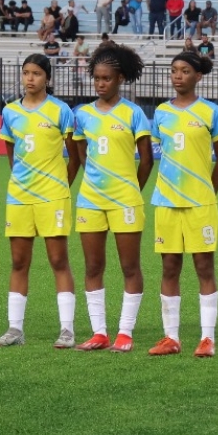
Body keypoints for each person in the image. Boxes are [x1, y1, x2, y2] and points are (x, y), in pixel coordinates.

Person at [0, 54, 80, 349]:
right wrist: (22, 182)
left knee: (58, 260)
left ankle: (67, 330)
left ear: (47, 78)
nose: (30, 78)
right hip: (19, 197)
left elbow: (75, 157)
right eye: (26, 73)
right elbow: (11, 154)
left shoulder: (60, 110)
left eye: (37, 73)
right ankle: (15, 330)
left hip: (52, 196)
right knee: (18, 261)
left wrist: (59, 185)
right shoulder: (10, 112)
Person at [145, 52, 218, 358]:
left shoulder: (210, 112)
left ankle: (207, 339)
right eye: (174, 71)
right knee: (169, 267)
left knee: (204, 267)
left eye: (184, 71)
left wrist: (209, 190)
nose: (178, 75)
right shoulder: (162, 113)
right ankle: (171, 337)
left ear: (198, 76)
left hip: (200, 203)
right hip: (166, 201)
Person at [71, 43, 153, 352]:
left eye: (107, 78)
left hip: (125, 201)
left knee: (129, 267)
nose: (101, 83)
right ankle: (99, 333)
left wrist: (132, 191)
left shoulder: (133, 113)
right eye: (97, 78)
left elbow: (146, 160)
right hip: (90, 201)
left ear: (120, 79)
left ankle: (125, 333)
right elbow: (81, 156)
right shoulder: (83, 115)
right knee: (93, 267)